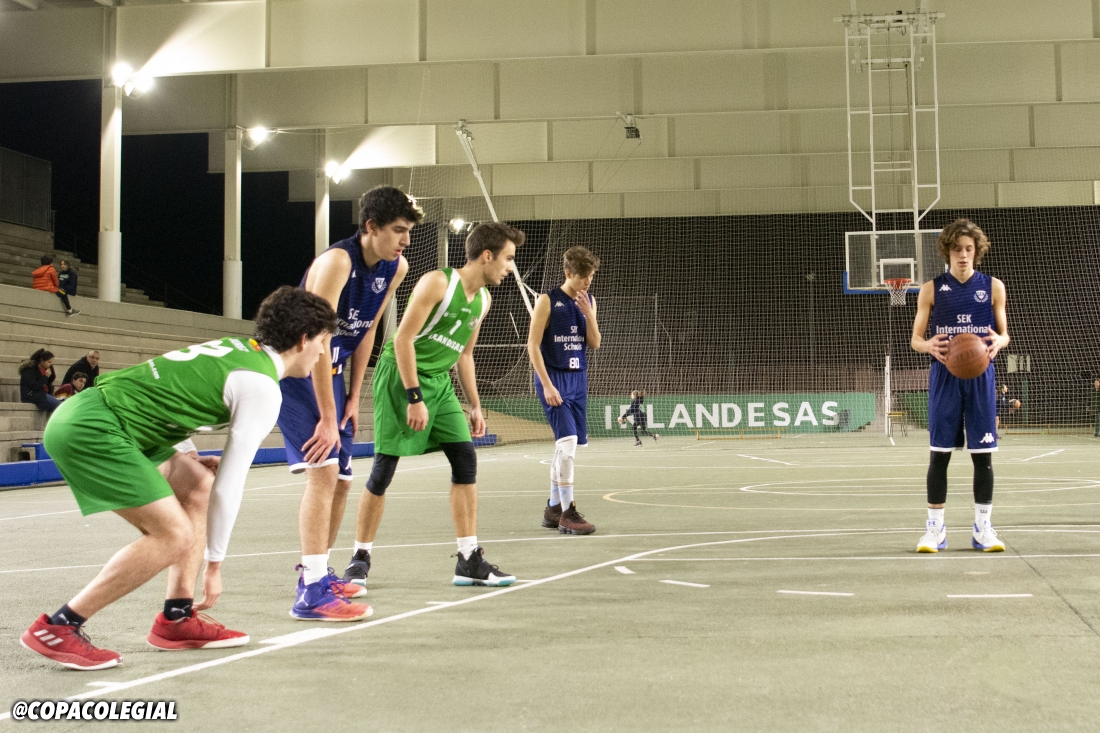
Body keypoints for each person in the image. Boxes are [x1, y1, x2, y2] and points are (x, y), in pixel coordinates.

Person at [19, 286, 338, 670]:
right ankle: (59, 626)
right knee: (173, 536)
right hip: (96, 427)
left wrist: (187, 454)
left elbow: (168, 390)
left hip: (105, 416)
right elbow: (231, 485)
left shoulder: (239, 349)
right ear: (303, 339)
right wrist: (214, 565)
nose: (323, 353)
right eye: (322, 342)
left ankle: (177, 618)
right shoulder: (263, 388)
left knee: (198, 485)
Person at [349, 221, 521, 588]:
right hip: (401, 377)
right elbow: (402, 340)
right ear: (486, 255)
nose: (510, 267)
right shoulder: (438, 283)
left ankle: (468, 559)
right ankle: (359, 558)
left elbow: (465, 355)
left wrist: (475, 405)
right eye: (508, 258)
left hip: (440, 383)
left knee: (465, 460)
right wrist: (414, 397)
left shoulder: (484, 300)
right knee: (384, 469)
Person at [281, 186, 417, 621]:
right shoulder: (338, 262)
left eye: (409, 231)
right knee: (323, 473)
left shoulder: (396, 267)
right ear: (370, 227)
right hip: (297, 370)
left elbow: (367, 329)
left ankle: (318, 573)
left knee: (341, 480)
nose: (405, 240)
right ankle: (311, 592)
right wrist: (327, 415)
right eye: (398, 230)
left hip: (334, 374)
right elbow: (317, 339)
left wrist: (354, 396)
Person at [910, 218, 1010, 554]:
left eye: (968, 249)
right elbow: (915, 339)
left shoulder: (993, 287)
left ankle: (983, 529)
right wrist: (928, 345)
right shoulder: (931, 289)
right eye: (957, 249)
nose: (963, 255)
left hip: (981, 376)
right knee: (939, 455)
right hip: (944, 376)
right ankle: (935, 530)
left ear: (977, 251)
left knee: (983, 457)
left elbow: (1004, 334)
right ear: (947, 252)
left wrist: (1000, 341)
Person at [527, 245, 601, 535]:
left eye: (591, 276)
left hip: (578, 379)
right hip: (554, 378)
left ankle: (553, 508)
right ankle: (568, 513)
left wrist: (589, 315)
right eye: (583, 277)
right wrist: (546, 384)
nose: (588, 281)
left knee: (566, 446)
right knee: (568, 445)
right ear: (568, 273)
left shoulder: (589, 301)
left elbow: (595, 343)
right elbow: (533, 345)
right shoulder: (547, 300)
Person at [19, 348, 60, 413]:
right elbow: (35, 386)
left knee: (62, 405)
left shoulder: (46, 369)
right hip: (31, 396)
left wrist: (50, 370)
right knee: (60, 406)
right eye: (49, 362)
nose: (51, 364)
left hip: (42, 395)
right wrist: (45, 377)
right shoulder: (29, 370)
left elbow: (50, 381)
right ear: (42, 361)